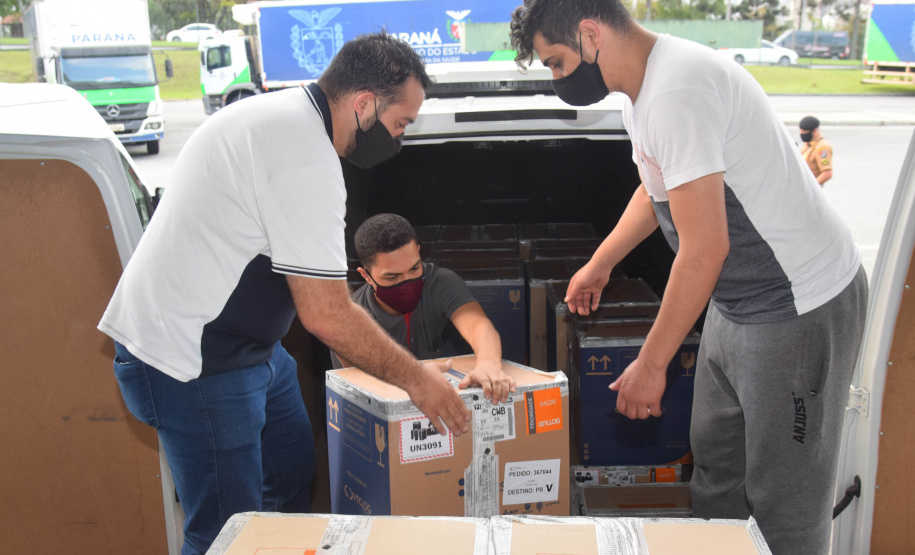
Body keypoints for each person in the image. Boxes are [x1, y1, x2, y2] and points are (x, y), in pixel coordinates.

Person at [97, 33, 478, 555]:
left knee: (293, 473)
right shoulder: (303, 155)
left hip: (251, 349)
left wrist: (378, 375)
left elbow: (318, 295)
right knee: (224, 533)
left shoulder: (283, 116)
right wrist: (416, 379)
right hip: (194, 361)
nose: (400, 140)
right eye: (400, 124)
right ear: (363, 103)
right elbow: (325, 313)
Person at [509, 2, 866, 554]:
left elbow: (704, 250)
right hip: (734, 301)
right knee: (717, 469)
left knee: (785, 501)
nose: (558, 78)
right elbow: (657, 191)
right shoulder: (640, 91)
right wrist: (601, 262)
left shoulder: (678, 90)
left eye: (556, 62)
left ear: (589, 35)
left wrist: (652, 365)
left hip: (796, 304)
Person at [334, 213, 517, 404]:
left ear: (419, 252)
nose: (407, 282)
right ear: (366, 276)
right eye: (392, 277)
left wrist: (488, 364)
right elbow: (358, 390)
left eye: (414, 269)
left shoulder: (440, 282)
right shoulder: (351, 318)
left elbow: (478, 325)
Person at [799, 115, 834, 186]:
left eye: (804, 131)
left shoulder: (822, 148)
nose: (802, 134)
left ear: (814, 131)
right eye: (801, 131)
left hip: (809, 190)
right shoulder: (808, 144)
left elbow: (827, 173)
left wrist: (811, 187)